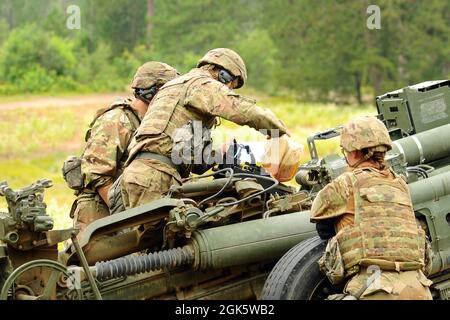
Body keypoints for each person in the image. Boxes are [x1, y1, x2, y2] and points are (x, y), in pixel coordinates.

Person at [120, 48, 288, 209]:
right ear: (220, 73)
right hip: (156, 177)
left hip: (139, 175)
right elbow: (245, 111)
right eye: (232, 83)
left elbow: (191, 161)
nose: (229, 88)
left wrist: (222, 153)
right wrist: (281, 133)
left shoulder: (172, 87)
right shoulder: (202, 84)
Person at [310, 116, 432, 300]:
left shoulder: (345, 183)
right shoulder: (401, 186)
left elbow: (322, 225)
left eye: (345, 151)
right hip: (419, 286)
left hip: (375, 287)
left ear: (356, 152)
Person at [69, 62, 179, 233]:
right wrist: (126, 217)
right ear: (152, 92)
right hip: (102, 217)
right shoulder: (118, 119)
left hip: (134, 213)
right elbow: (96, 173)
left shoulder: (152, 124)